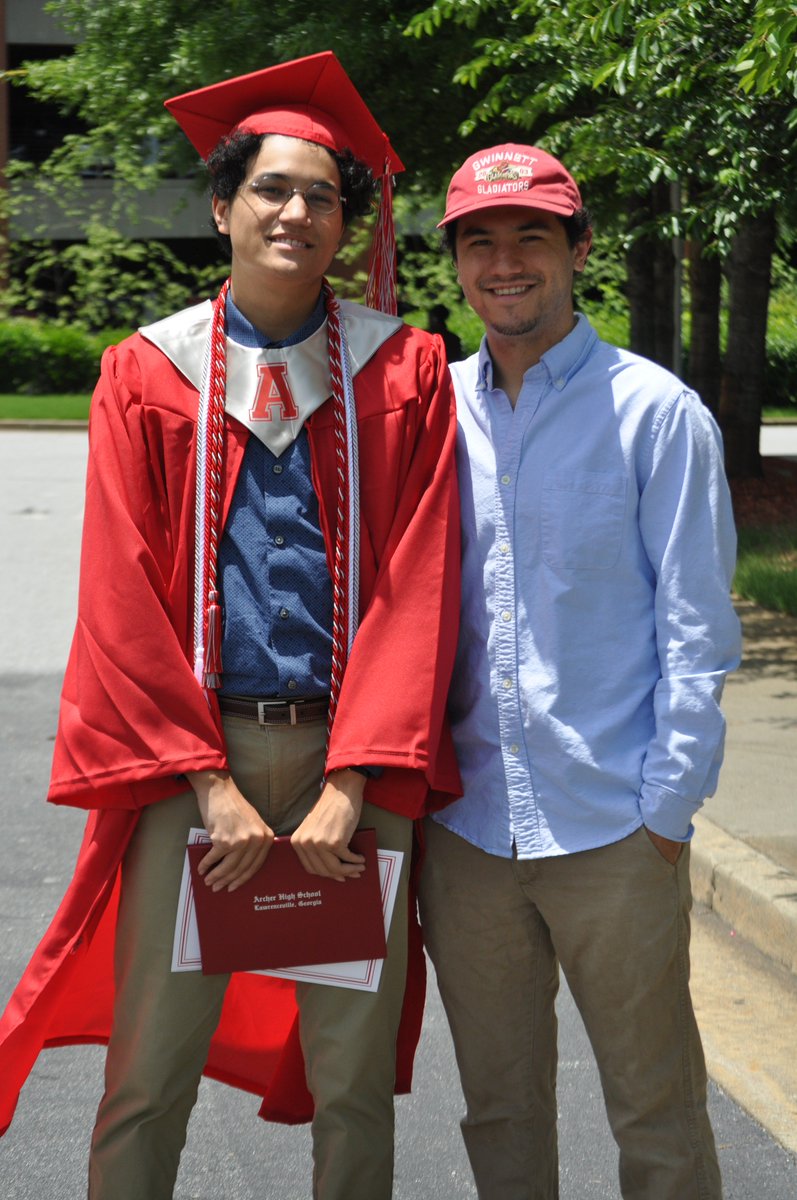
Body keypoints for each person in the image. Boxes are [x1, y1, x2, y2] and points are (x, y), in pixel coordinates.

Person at [0, 52, 461, 1200]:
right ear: (222, 207)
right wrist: (207, 784)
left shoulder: (400, 371)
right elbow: (122, 593)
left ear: (348, 223)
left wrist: (355, 778)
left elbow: (419, 585)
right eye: (271, 189)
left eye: (322, 194)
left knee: (350, 1076)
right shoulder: (147, 372)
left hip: (349, 764)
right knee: (146, 1072)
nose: (296, 211)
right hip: (194, 767)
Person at [418, 142, 742, 1200]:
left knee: (653, 1107)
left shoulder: (655, 413)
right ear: (455, 264)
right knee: (498, 1109)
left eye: (529, 238)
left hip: (610, 824)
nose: (502, 263)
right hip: (465, 831)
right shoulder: (428, 418)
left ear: (579, 250)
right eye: (478, 242)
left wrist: (667, 807)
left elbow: (696, 627)